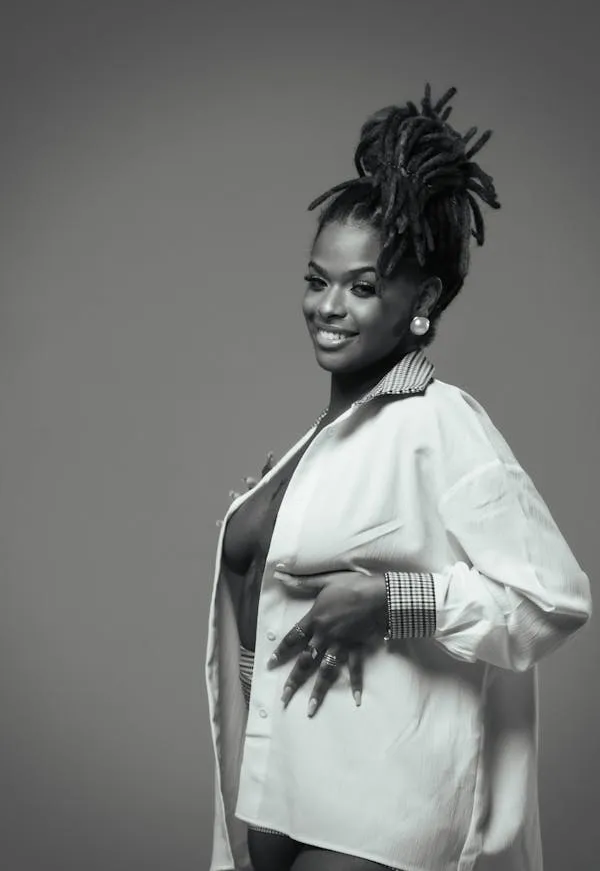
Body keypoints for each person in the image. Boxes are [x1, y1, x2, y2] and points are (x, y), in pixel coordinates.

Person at [205, 84, 592, 871]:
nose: (329, 306)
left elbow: (554, 600)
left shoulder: (438, 421)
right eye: (317, 280)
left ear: (424, 299)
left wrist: (394, 600)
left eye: (363, 285)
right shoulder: (318, 447)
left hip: (379, 803)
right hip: (275, 787)